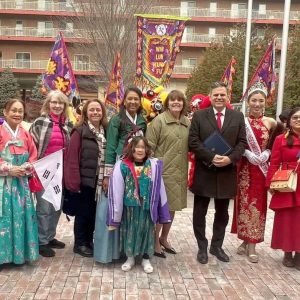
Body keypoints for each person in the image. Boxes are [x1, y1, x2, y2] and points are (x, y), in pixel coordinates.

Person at [188, 81, 247, 264]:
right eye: (216, 95)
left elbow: (242, 143)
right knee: (199, 212)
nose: (219, 98)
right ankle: (202, 247)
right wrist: (212, 157)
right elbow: (193, 141)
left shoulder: (237, 116)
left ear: (227, 96)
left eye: (222, 95)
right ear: (210, 96)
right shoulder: (199, 116)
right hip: (204, 171)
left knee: (222, 213)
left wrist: (230, 159)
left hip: (226, 172)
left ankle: (217, 246)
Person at [107, 136, 171, 273]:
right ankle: (130, 257)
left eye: (143, 147)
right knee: (130, 230)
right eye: (137, 147)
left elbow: (159, 187)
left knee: (147, 231)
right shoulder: (123, 165)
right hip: (129, 206)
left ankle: (146, 258)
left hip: (147, 206)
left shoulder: (153, 165)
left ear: (147, 149)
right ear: (132, 148)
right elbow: (118, 186)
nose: (140, 150)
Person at [231, 82, 276, 263]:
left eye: (261, 101)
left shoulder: (271, 122)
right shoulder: (241, 121)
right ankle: (243, 241)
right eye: (254, 100)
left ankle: (252, 245)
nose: (257, 104)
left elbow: (276, 143)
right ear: (248, 102)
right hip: (244, 169)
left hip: (261, 170)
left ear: (265, 103)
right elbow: (234, 142)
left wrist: (267, 153)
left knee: (258, 206)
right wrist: (246, 152)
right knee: (242, 205)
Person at [146, 90, 190, 258]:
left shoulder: (186, 122)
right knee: (160, 207)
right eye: (173, 100)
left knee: (173, 207)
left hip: (180, 171)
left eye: (179, 100)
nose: (176, 103)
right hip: (162, 172)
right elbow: (149, 146)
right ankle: (155, 240)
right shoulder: (159, 121)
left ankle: (164, 237)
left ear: (183, 103)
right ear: (167, 103)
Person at [29, 90, 73, 257]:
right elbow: (31, 147)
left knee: (57, 206)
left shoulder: (68, 125)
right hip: (43, 172)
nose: (57, 105)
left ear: (65, 106)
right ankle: (41, 241)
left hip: (61, 172)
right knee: (44, 207)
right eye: (54, 102)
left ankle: (50, 236)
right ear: (48, 104)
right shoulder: (40, 123)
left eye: (61, 103)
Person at [0, 99, 39, 265]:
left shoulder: (26, 133)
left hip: (21, 184)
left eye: (20, 111)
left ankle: (20, 254)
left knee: (22, 216)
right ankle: (3, 256)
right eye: (13, 110)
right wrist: (8, 169)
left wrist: (26, 167)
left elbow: (33, 156)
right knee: (4, 218)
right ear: (5, 112)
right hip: (4, 184)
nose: (17, 114)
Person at [266, 107, 300, 270]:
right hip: (287, 183)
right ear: (289, 120)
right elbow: (273, 162)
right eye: (295, 118)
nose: (298, 120)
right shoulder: (280, 139)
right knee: (287, 219)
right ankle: (287, 252)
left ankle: (299, 254)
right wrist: (271, 184)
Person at [104, 87, 147, 177]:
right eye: (129, 98)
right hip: (121, 161)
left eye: (136, 99)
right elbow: (111, 146)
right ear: (124, 101)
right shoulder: (116, 119)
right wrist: (107, 175)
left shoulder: (142, 121)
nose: (133, 102)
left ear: (140, 102)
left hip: (139, 164)